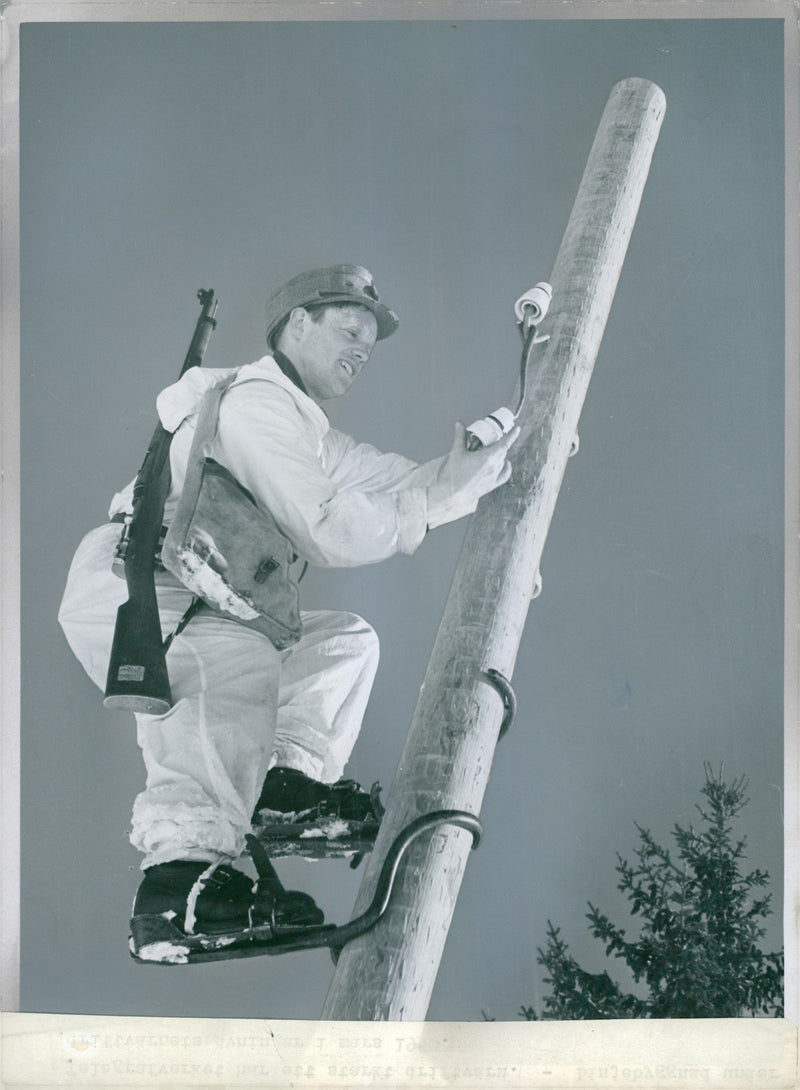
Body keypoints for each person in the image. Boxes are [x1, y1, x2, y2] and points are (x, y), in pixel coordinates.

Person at [58, 264, 519, 959]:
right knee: (225, 676)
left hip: (195, 594)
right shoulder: (254, 405)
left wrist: (486, 467)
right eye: (349, 328)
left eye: (370, 339)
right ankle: (177, 895)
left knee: (343, 644)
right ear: (296, 324)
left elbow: (403, 485)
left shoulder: (306, 431)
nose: (363, 347)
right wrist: (432, 500)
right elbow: (330, 527)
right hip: (146, 583)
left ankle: (281, 791)